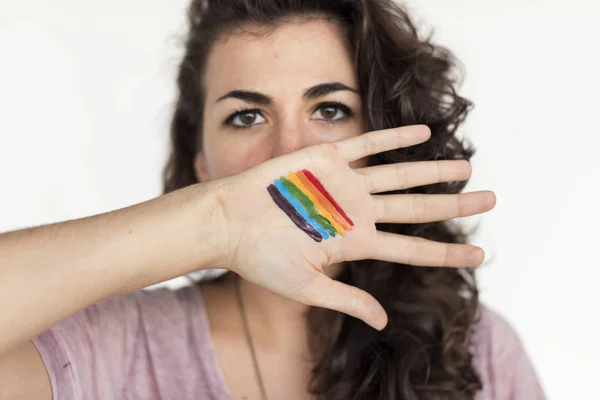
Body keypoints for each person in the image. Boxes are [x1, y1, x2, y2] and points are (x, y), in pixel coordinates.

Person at [0, 0, 546, 399]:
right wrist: (218, 221)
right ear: (201, 165)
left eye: (330, 110)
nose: (291, 155)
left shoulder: (480, 351)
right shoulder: (116, 349)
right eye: (246, 117)